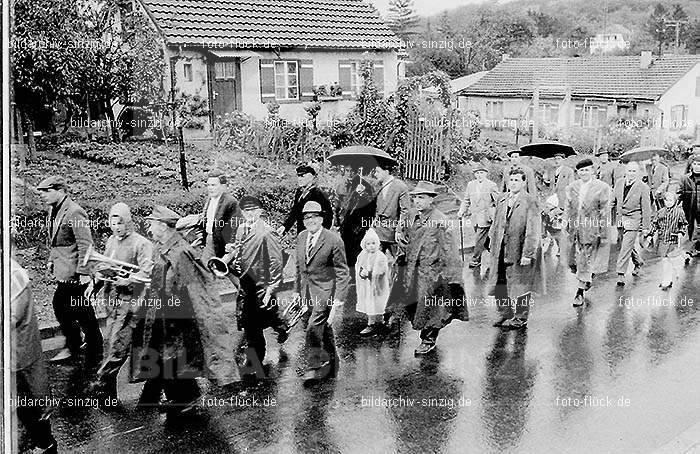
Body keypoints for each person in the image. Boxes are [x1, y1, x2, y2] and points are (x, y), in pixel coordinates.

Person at [132, 206, 239, 413]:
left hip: (177, 316)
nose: (150, 228)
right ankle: (183, 397)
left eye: (152, 223)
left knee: (173, 353)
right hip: (162, 313)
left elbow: (195, 287)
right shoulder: (163, 247)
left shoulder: (181, 252)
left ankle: (184, 399)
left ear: (163, 226)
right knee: (165, 353)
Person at [88, 203, 154, 404]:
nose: (115, 227)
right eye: (112, 222)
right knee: (124, 344)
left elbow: (147, 272)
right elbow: (107, 265)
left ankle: (102, 386)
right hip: (114, 301)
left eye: (120, 222)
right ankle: (154, 388)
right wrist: (96, 283)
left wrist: (129, 279)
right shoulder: (111, 241)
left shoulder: (141, 244)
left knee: (119, 346)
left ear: (128, 221)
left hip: (133, 302)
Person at [36, 176, 103, 364]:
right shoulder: (53, 211)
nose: (42, 195)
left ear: (60, 190)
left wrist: (83, 273)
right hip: (64, 270)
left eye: (46, 191)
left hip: (75, 273)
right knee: (82, 310)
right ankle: (93, 343)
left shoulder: (75, 212)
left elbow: (85, 245)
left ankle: (75, 345)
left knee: (61, 306)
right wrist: (51, 260)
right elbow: (55, 242)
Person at [397, 181, 468, 355]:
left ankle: (428, 339)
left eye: (421, 197)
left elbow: (449, 250)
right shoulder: (413, 216)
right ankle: (423, 333)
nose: (417, 201)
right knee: (416, 305)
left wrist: (448, 274)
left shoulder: (440, 220)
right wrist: (400, 240)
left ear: (431, 199)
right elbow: (408, 240)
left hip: (433, 272)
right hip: (414, 269)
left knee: (432, 307)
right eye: (415, 198)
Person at [230, 195, 290, 370]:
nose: (249, 214)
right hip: (246, 284)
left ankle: (280, 328)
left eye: (252, 210)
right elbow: (241, 250)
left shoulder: (267, 232)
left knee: (264, 316)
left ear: (260, 211)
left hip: (261, 285)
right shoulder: (241, 229)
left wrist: (271, 288)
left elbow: (276, 261)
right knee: (251, 323)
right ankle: (254, 359)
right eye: (246, 210)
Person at [293, 201, 350, 386]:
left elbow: (342, 273)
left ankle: (313, 366)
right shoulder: (301, 237)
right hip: (306, 292)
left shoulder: (334, 240)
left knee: (312, 327)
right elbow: (298, 268)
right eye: (306, 217)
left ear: (321, 218)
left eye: (314, 216)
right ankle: (333, 358)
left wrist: (338, 301)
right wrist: (296, 292)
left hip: (325, 293)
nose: (310, 220)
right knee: (323, 328)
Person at [11, 257, 58, 454]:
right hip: (15, 356)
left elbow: (10, 317)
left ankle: (45, 445)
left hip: (19, 355)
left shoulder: (13, 275)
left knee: (27, 405)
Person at [486, 169, 543, 330]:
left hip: (519, 248)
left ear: (524, 182)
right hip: (501, 247)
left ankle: (521, 317)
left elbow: (533, 229)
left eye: (517, 180)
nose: (513, 183)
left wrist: (528, 253)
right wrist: (491, 242)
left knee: (521, 283)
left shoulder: (530, 201)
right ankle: (505, 313)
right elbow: (496, 223)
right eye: (511, 179)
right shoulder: (502, 198)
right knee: (500, 281)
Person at [563, 158, 612, 307]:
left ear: (592, 171)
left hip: (591, 229)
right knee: (572, 261)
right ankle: (587, 277)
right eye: (581, 170)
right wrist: (565, 223)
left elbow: (604, 211)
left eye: (586, 170)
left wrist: (603, 232)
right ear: (577, 172)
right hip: (574, 229)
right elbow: (567, 207)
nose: (583, 173)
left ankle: (579, 292)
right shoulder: (572, 187)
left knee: (584, 258)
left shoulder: (602, 187)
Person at [612, 161, 652, 286]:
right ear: (626, 171)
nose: (631, 173)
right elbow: (613, 201)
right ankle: (638, 261)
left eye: (634, 171)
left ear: (638, 173)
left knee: (625, 246)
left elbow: (646, 209)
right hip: (620, 218)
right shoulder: (619, 183)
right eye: (629, 170)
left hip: (633, 219)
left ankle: (621, 273)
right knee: (627, 245)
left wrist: (646, 227)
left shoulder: (643, 187)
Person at [457, 164, 499, 268]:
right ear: (474, 174)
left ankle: (475, 259)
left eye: (482, 173)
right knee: (481, 238)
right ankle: (491, 249)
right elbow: (466, 199)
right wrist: (462, 210)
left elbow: (497, 200)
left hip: (486, 217)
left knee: (479, 238)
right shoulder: (470, 184)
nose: (479, 175)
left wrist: (498, 213)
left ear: (486, 174)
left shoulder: (491, 185)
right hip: (474, 216)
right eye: (477, 173)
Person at [646, 191, 687, 290]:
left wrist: (681, 232)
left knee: (670, 260)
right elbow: (655, 224)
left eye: (670, 200)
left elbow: (684, 224)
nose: (668, 202)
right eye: (666, 200)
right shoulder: (661, 212)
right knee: (665, 260)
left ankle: (671, 276)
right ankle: (667, 279)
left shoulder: (679, 212)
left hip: (673, 239)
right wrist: (650, 235)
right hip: (662, 239)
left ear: (675, 201)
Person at [278, 165, 333, 237]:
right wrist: (285, 227)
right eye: (298, 176)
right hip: (302, 232)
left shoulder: (318, 193)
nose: (299, 179)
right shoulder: (299, 192)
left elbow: (328, 215)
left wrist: (320, 234)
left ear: (311, 177)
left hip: (314, 233)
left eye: (302, 176)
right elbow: (295, 212)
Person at [200, 169, 241, 263]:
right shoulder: (209, 199)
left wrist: (231, 245)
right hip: (210, 239)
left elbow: (236, 225)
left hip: (222, 243)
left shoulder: (231, 202)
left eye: (213, 185)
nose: (210, 188)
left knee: (218, 271)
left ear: (223, 186)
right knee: (204, 267)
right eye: (208, 185)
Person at [354, 228, 390, 336]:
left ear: (378, 244)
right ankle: (371, 323)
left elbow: (381, 271)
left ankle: (385, 319)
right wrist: (361, 273)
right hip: (367, 286)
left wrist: (369, 273)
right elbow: (358, 266)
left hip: (378, 286)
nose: (371, 246)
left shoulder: (380, 256)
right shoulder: (362, 255)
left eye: (374, 243)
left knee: (380, 302)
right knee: (369, 303)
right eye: (368, 244)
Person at [337, 169, 376, 268]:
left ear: (357, 171)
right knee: (346, 254)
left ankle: (357, 278)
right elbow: (339, 204)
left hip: (358, 228)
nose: (349, 173)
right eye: (347, 170)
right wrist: (338, 222)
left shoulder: (365, 186)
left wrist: (363, 194)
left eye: (352, 171)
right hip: (345, 226)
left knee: (357, 255)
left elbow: (372, 208)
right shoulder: (343, 185)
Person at [372, 164, 410, 253]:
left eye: (378, 172)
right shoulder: (377, 186)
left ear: (386, 171)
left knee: (397, 260)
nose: (375, 174)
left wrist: (399, 230)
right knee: (376, 258)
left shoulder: (400, 186)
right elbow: (375, 208)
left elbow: (405, 210)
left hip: (393, 231)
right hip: (378, 229)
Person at [678, 156, 700, 263]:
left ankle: (697, 247)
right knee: (690, 230)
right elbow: (680, 192)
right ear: (691, 165)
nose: (697, 167)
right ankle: (689, 252)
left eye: (699, 164)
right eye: (695, 164)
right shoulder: (685, 178)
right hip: (690, 209)